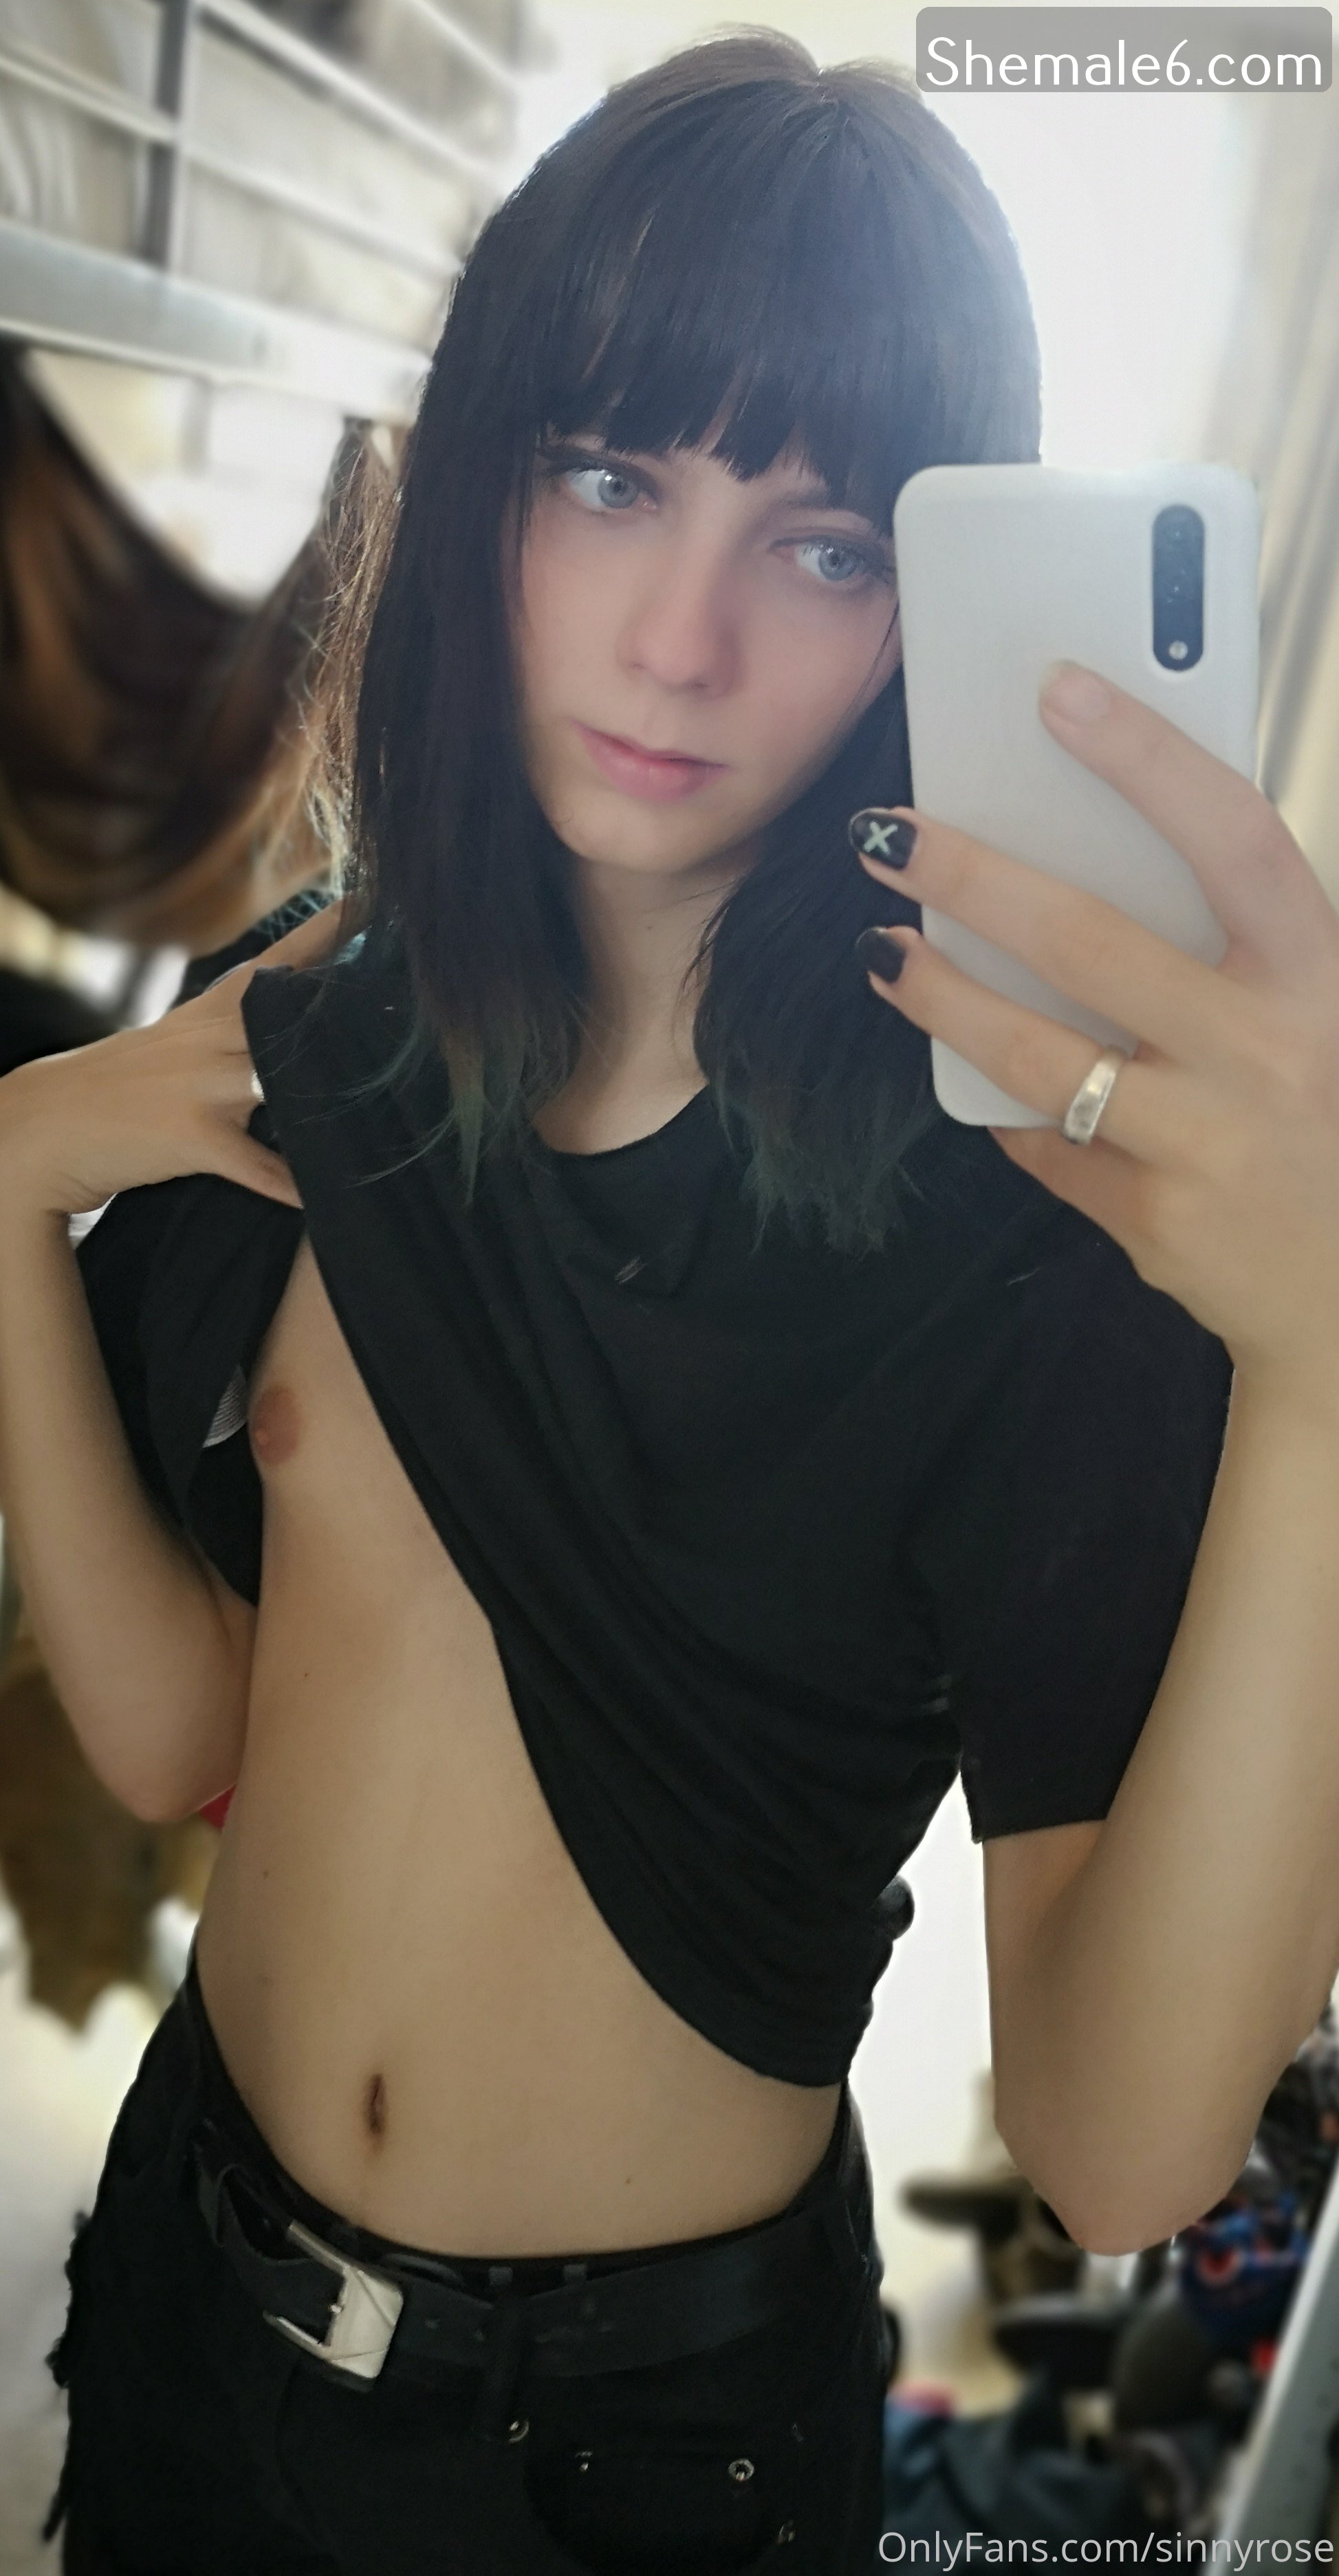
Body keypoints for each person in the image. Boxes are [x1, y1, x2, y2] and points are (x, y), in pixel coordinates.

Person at [2, 28, 1338, 2575]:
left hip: (636, 2465)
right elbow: (180, 1723)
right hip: (194, 2289)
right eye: (608, 477)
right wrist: (3, 1193)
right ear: (482, 476)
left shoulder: (1023, 1224)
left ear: (922, 608)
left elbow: (1120, 2146)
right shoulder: (313, 1020)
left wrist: (1318, 1367)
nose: (682, 639)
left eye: (818, 549)